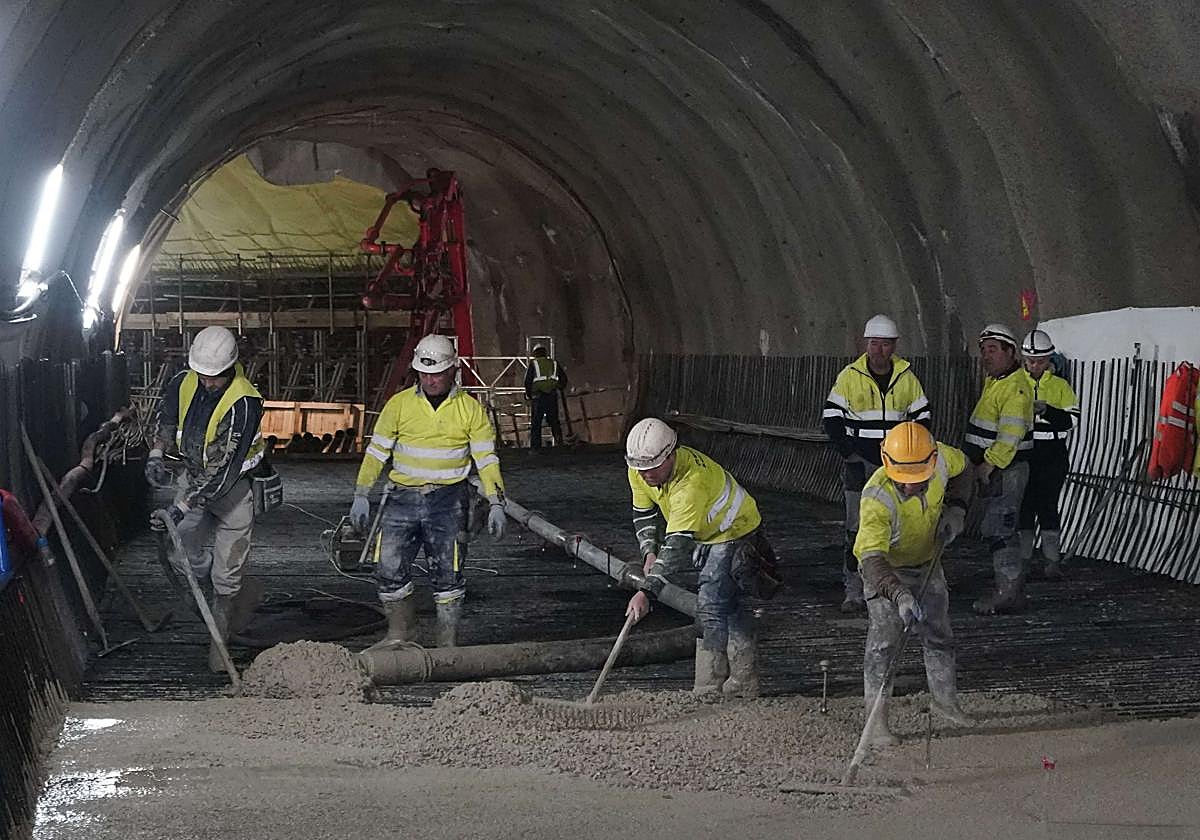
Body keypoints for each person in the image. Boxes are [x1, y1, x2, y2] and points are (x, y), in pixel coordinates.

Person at [349, 333, 507, 648]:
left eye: (436, 373)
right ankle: (400, 634)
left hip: (449, 500)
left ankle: (446, 643)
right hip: (401, 498)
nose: (430, 379)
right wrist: (361, 493)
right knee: (389, 567)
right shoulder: (399, 405)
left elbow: (486, 460)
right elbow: (377, 452)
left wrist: (497, 501)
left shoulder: (470, 411)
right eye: (424, 372)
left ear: (453, 371)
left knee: (449, 572)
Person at [623, 418, 778, 699]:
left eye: (653, 468)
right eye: (641, 469)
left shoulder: (691, 484)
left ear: (671, 454)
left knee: (710, 605)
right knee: (726, 604)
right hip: (704, 532)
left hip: (734, 529)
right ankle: (744, 678)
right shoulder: (640, 468)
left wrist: (646, 592)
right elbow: (644, 514)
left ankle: (709, 688)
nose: (646, 475)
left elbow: (677, 546)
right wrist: (649, 551)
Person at [145, 325, 265, 672]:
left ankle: (220, 640)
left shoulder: (245, 402)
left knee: (227, 576)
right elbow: (167, 421)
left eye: (216, 377)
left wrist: (182, 506)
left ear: (231, 369)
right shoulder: (183, 382)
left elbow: (225, 471)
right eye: (204, 376)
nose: (209, 383)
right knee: (180, 555)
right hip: (192, 478)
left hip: (234, 490)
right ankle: (227, 593)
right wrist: (156, 452)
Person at [855, 422, 975, 745]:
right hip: (885, 573)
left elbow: (966, 472)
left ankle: (945, 703)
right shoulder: (876, 499)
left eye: (918, 481)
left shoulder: (942, 461)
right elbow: (871, 562)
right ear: (886, 463)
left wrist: (957, 509)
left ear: (932, 462)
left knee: (939, 633)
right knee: (884, 647)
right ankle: (876, 724)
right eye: (903, 482)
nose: (911, 488)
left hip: (928, 562)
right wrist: (899, 595)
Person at [823, 314, 931, 613]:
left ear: (894, 346)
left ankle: (895, 583)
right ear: (865, 344)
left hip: (898, 467)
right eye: (873, 344)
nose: (879, 350)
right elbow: (831, 418)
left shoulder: (906, 378)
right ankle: (854, 589)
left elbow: (922, 417)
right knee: (855, 528)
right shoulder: (849, 376)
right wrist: (849, 454)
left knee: (900, 524)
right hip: (860, 466)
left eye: (885, 345)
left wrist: (911, 455)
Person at [965, 324, 1034, 614]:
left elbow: (1010, 437)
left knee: (1002, 528)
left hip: (1006, 470)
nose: (986, 355)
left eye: (993, 349)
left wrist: (987, 465)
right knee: (997, 527)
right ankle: (1008, 589)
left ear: (1010, 352)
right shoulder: (997, 381)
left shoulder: (1014, 388)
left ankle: (1008, 593)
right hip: (1000, 470)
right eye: (983, 350)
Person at [1018, 329, 1080, 579]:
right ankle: (1022, 561)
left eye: (1041, 361)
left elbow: (1071, 420)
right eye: (1031, 361)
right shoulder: (1015, 384)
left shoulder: (1060, 386)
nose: (1035, 366)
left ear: (1049, 359)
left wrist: (1047, 411)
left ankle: (1051, 561)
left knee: (1048, 506)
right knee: (1024, 505)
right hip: (1024, 451)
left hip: (1052, 453)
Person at [524, 344, 568, 448]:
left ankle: (536, 447)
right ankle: (559, 443)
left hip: (538, 397)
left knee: (536, 423)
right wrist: (558, 387)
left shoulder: (534, 364)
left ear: (535, 354)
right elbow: (564, 379)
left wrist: (529, 395)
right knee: (554, 421)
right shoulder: (554, 363)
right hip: (552, 396)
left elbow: (528, 381)